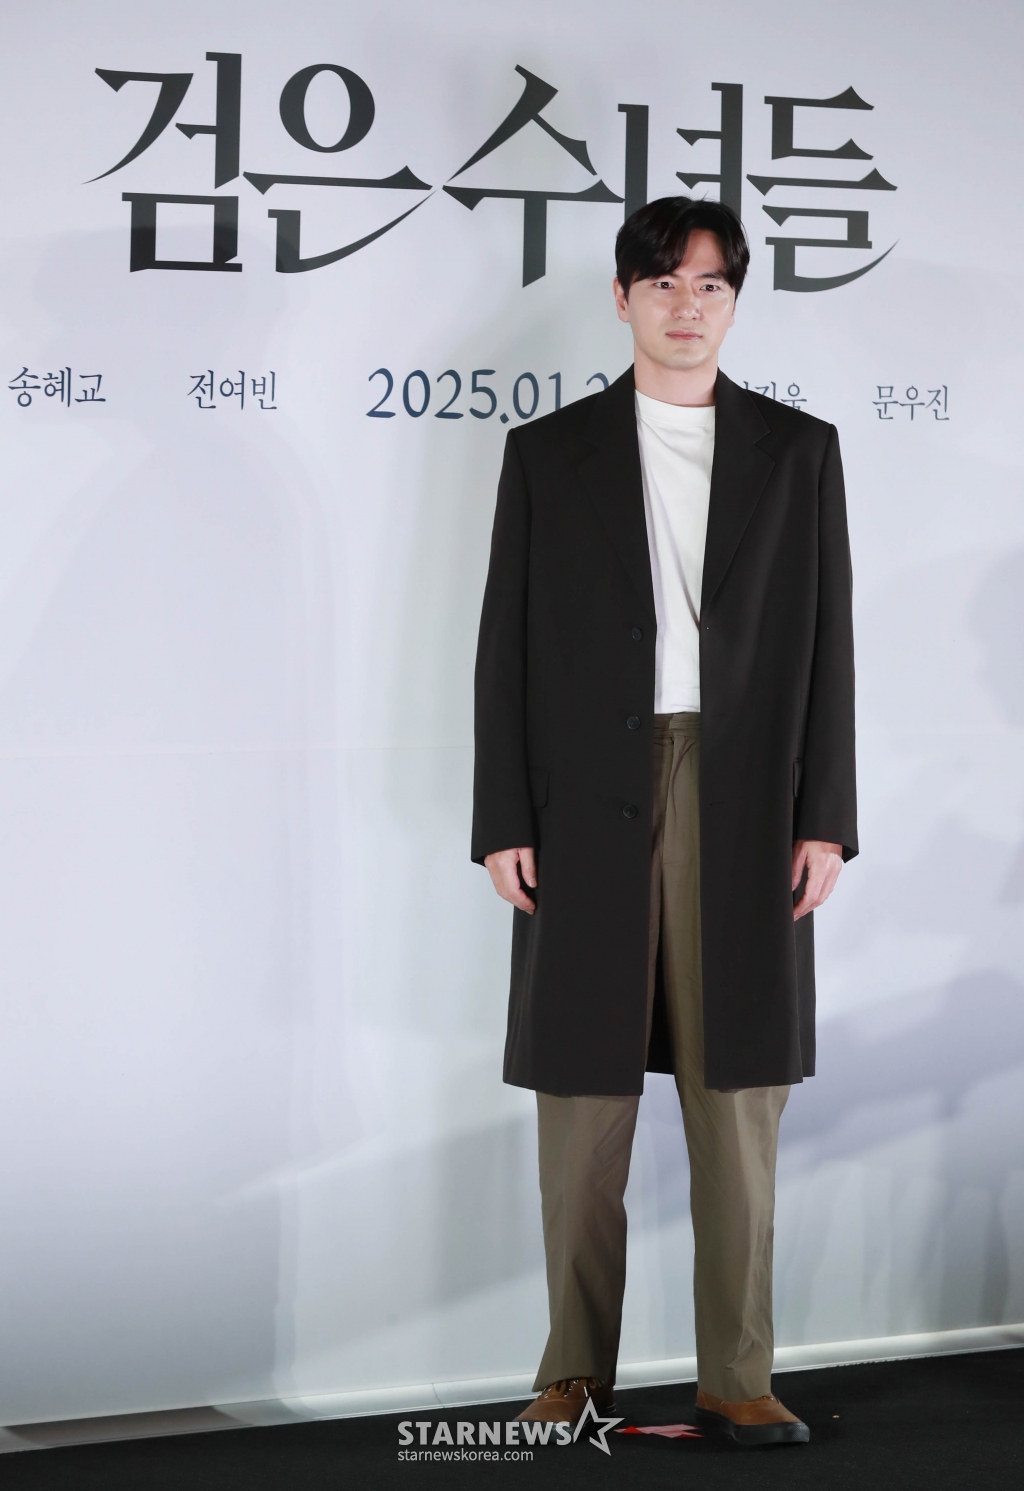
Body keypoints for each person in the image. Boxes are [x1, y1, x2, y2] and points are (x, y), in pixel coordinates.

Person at [471, 196, 857, 1448]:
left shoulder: (797, 451)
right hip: (586, 791)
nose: (687, 307)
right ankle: (572, 1375)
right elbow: (503, 645)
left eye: (710, 286)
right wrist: (502, 816)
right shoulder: (550, 453)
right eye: (663, 284)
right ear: (622, 298)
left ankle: (737, 1376)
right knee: (582, 1102)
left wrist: (824, 818)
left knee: (737, 1096)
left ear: (734, 301)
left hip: (744, 795)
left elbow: (829, 644)